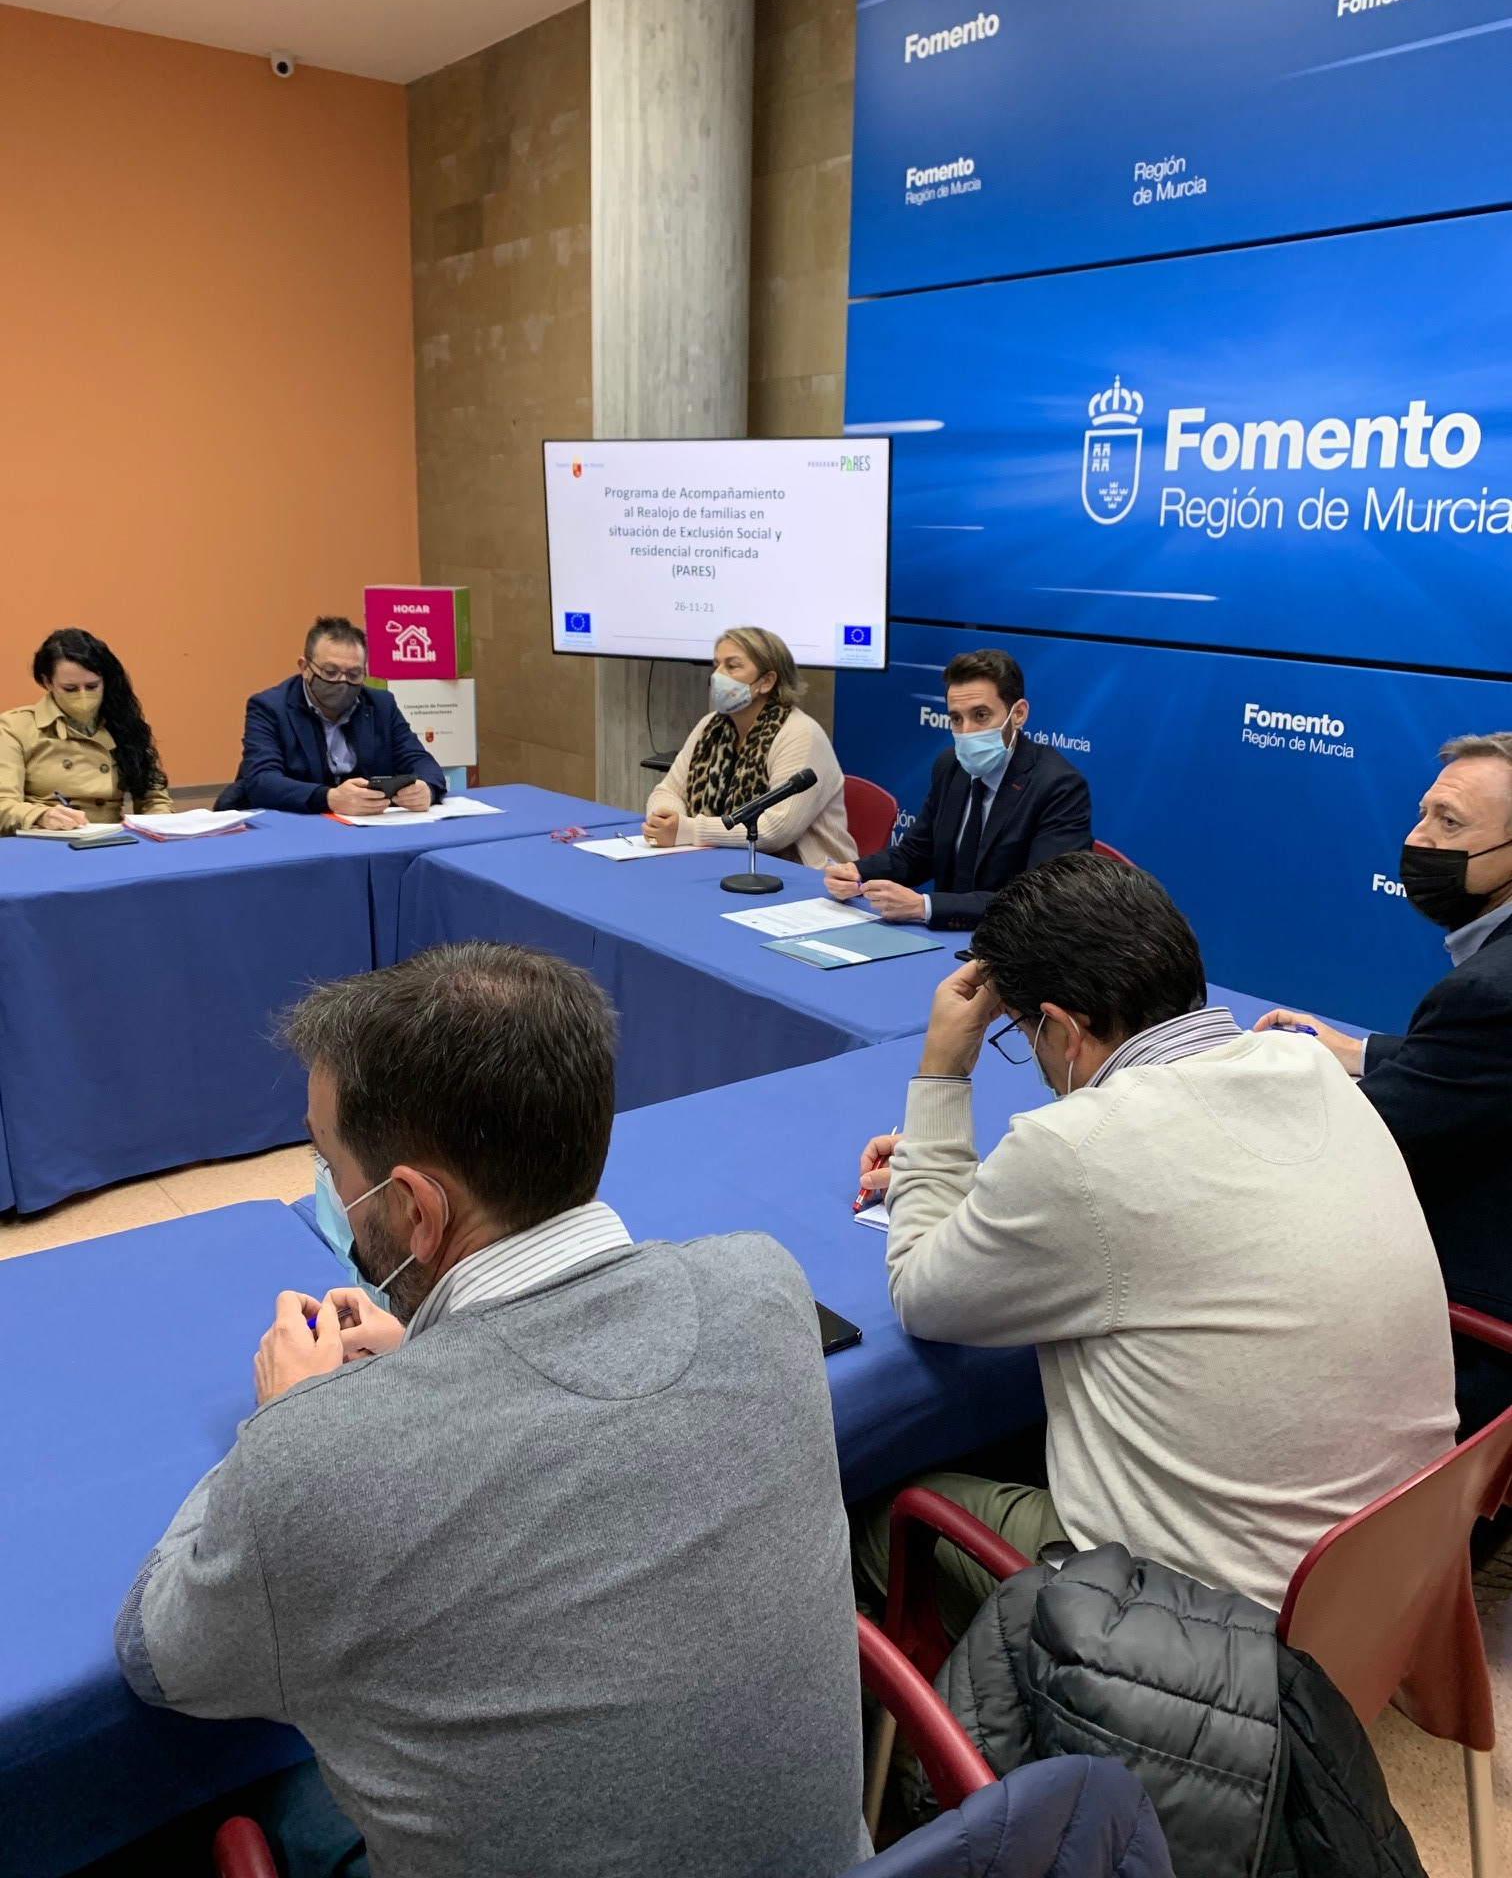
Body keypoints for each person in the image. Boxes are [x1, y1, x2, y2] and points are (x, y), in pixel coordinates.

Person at [116, 941, 867, 1878]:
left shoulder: (311, 1462)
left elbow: (157, 1660)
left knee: (254, 1803)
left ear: (419, 1213)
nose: (332, 1196)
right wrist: (434, 1353)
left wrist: (291, 1419)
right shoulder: (762, 1284)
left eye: (330, 1166)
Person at [853, 853, 1455, 1631]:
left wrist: (943, 1068)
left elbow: (921, 1293)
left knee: (870, 1515)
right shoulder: (1306, 1065)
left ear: (1063, 1031)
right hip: (1387, 1586)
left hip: (1209, 1635)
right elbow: (1173, 1197)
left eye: (1024, 1038)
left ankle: (936, 1750)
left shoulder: (1076, 1150)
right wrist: (967, 1187)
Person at [1257, 732, 1512, 1431]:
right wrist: (1362, 1051)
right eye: (1424, 812)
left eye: (1449, 823)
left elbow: (1345, 1147)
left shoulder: (1490, 991)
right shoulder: (1489, 1001)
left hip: (1463, 1346)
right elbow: (1481, 1065)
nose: (1417, 838)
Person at [823, 648, 1091, 929]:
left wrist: (924, 907)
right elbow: (917, 853)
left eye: (981, 715)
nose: (966, 732)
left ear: (1018, 714)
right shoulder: (951, 765)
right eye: (956, 718)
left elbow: (1041, 901)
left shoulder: (1058, 786)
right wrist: (857, 872)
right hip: (944, 939)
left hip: (1012, 948)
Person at [643, 626, 855, 865]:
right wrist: (667, 820)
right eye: (717, 665)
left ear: (766, 681)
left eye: (732, 666)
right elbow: (668, 791)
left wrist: (687, 830)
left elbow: (775, 829)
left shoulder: (800, 733)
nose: (717, 676)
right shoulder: (711, 726)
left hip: (807, 878)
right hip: (721, 862)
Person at [225, 616, 446, 816]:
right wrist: (329, 798)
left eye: (354, 674)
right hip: (294, 822)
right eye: (330, 672)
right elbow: (261, 780)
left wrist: (427, 789)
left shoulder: (381, 704)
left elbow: (421, 761)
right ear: (305, 668)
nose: (342, 682)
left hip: (367, 824)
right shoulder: (269, 707)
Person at [0, 628, 172, 835]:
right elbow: (3, 805)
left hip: (111, 838)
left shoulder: (124, 724)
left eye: (92, 686)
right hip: (46, 841)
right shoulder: (14, 728)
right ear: (47, 683)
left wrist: (159, 828)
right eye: (70, 689)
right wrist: (40, 815)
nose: (83, 696)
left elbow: (153, 798)